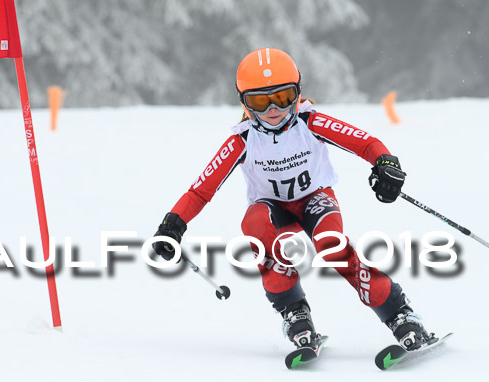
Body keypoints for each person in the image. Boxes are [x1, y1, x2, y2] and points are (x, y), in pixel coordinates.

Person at [152, 48, 435, 352]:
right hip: (274, 210)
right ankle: (294, 310)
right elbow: (200, 190)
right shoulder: (242, 140)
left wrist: (385, 164)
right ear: (244, 102)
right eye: (260, 101)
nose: (273, 108)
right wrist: (173, 225)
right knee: (255, 223)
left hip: (315, 200)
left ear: (298, 93)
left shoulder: (311, 123)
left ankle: (399, 313)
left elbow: (366, 142)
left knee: (331, 245)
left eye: (284, 96)